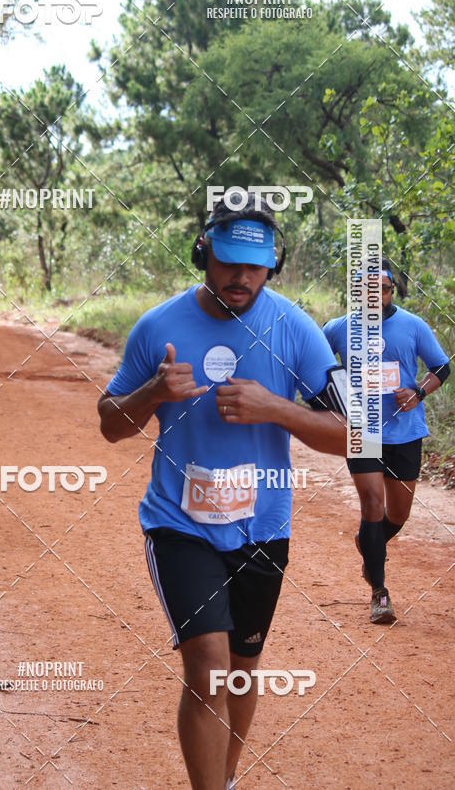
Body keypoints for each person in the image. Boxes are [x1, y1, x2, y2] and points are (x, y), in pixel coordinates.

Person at [97, 193, 348, 790]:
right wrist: (152, 393)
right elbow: (110, 424)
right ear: (202, 252)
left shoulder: (296, 330)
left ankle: (227, 776)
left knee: (241, 671)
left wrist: (278, 409)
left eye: (255, 266)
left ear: (273, 266)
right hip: (178, 524)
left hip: (262, 529)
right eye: (230, 261)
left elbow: (353, 437)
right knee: (208, 669)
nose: (242, 277)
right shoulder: (157, 326)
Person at [323, 259, 450, 624]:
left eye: (382, 289)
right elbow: (312, 361)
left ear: (391, 291)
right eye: (366, 291)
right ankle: (380, 593)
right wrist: (332, 396)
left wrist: (418, 393)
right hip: (362, 431)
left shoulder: (412, 325)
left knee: (397, 515)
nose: (374, 297)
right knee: (372, 504)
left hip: (405, 432)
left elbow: (441, 367)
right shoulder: (339, 329)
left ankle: (369, 544)